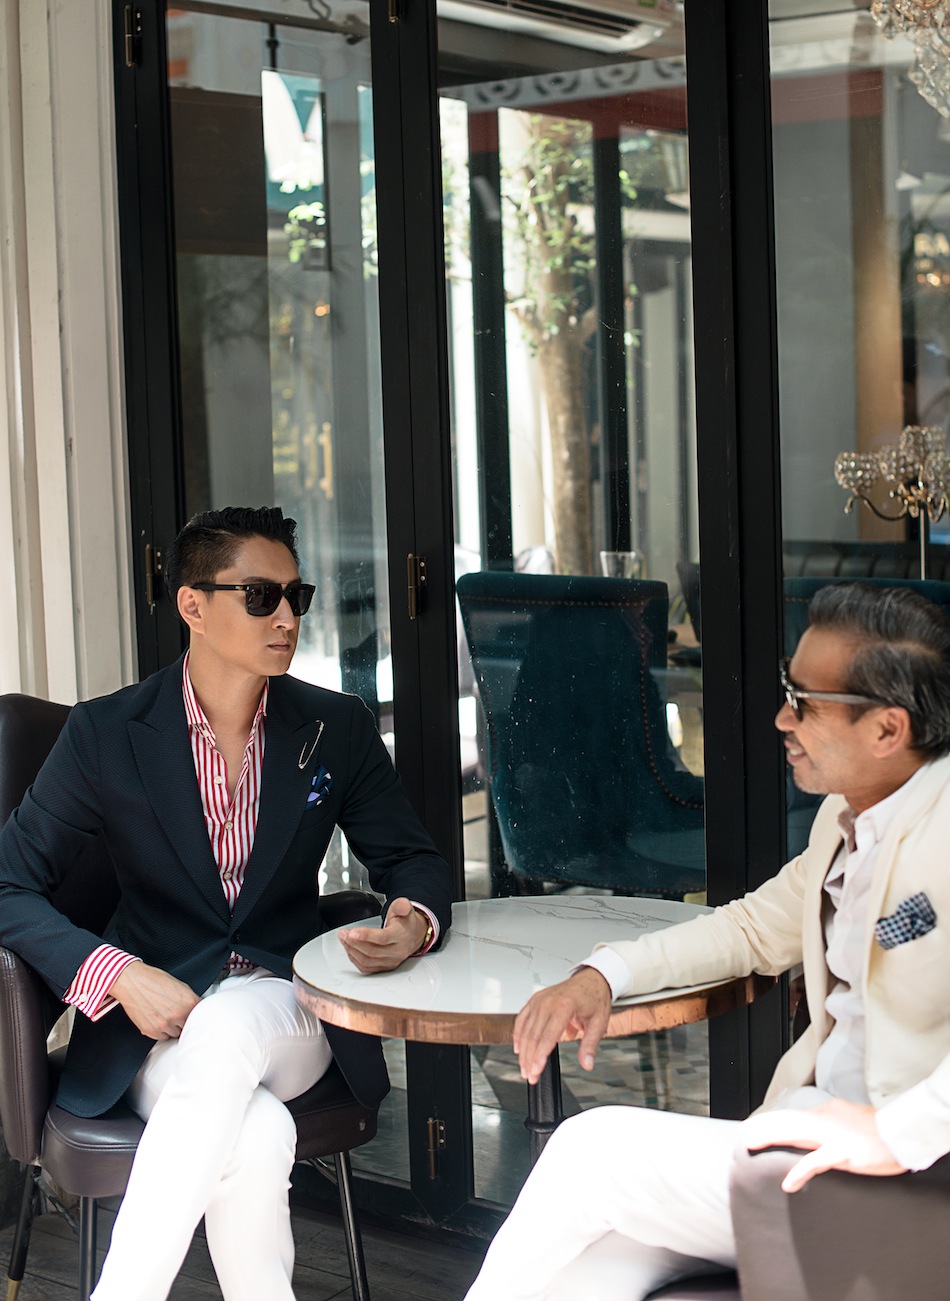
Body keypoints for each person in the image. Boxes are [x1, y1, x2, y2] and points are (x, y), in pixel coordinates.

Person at [0, 506, 453, 1301]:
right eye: (260, 595)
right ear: (193, 606)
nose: (286, 617)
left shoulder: (335, 727)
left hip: (289, 1008)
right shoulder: (106, 733)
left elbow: (413, 859)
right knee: (256, 1134)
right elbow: (7, 881)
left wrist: (410, 921)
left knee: (230, 1023)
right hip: (156, 1030)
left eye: (295, 596)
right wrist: (118, 975)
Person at [466, 582, 950, 1301]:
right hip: (801, 1142)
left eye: (805, 702)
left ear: (887, 729)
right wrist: (602, 976)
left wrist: (898, 1132)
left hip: (903, 1175)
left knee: (588, 1150)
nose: (781, 717)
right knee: (591, 1274)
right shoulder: (845, 817)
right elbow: (751, 927)